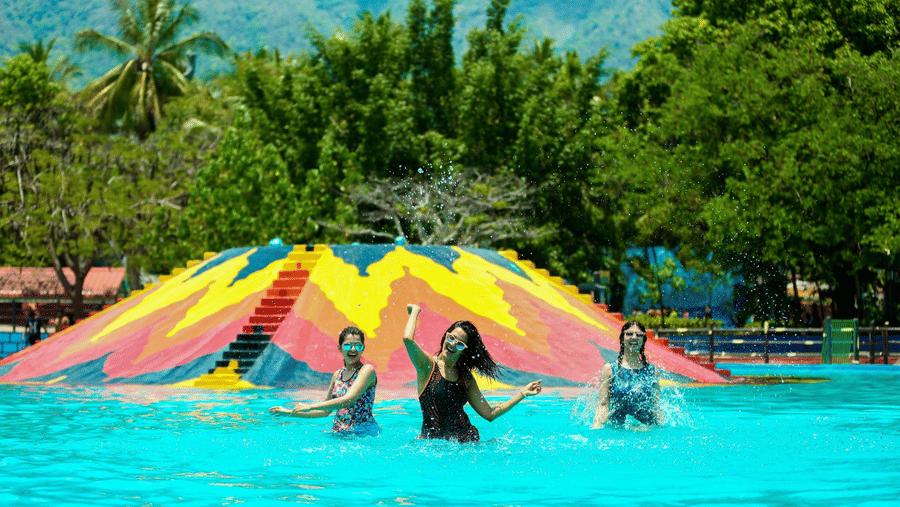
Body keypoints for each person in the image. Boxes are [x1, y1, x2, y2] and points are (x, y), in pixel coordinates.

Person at [403, 304, 542, 443]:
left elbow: (489, 414)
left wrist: (522, 393)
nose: (452, 344)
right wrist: (415, 311)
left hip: (466, 441)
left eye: (459, 344)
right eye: (451, 338)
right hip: (432, 444)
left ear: (464, 350)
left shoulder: (466, 379)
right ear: (445, 335)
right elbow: (408, 340)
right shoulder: (427, 366)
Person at [269, 326, 380, 437]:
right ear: (340, 348)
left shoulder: (367, 370)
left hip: (363, 433)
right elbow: (324, 411)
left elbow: (348, 400)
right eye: (348, 345)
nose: (353, 349)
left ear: (363, 348)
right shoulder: (337, 375)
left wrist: (310, 406)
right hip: (340, 433)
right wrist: (288, 412)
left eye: (358, 346)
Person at [592, 320, 665, 429]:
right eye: (629, 334)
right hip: (619, 431)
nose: (634, 337)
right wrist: (597, 426)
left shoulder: (652, 371)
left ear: (643, 340)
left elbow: (656, 406)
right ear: (622, 338)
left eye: (639, 335)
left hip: (647, 432)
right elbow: (603, 405)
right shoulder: (610, 370)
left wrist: (662, 430)